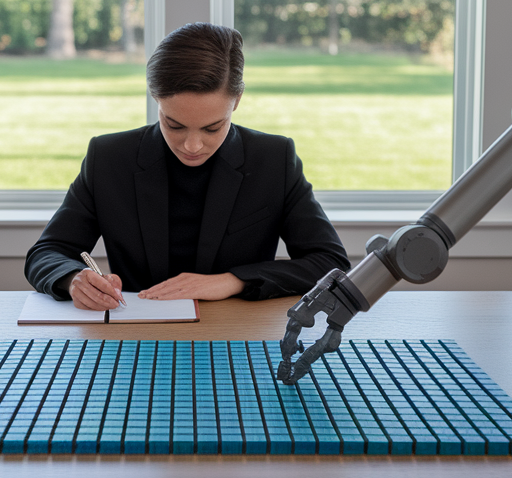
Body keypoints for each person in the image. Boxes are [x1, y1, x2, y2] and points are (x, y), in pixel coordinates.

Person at [24, 22, 350, 311]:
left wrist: (233, 281)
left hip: (236, 333)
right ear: (155, 97)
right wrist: (73, 280)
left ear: (236, 101)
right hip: (137, 335)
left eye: (212, 128)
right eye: (174, 125)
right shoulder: (109, 157)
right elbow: (47, 252)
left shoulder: (274, 159)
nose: (192, 146)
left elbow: (330, 262)